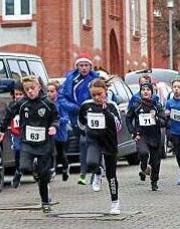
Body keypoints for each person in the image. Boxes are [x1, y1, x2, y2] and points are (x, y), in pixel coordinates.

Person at [0, 75, 59, 213]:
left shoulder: (47, 103)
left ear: (38, 88)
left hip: (44, 143)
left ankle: (45, 202)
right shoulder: (21, 103)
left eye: (32, 88)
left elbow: (56, 117)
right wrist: (2, 130)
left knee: (43, 176)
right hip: (27, 142)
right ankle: (35, 170)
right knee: (24, 165)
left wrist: (54, 126)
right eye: (27, 89)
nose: (30, 91)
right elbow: (9, 114)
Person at [77, 78, 122, 214]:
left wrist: (106, 112)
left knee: (111, 175)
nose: (97, 97)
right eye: (94, 95)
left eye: (99, 94)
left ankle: (115, 202)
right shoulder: (86, 105)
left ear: (106, 91)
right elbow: (80, 121)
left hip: (109, 142)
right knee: (91, 163)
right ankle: (97, 172)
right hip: (94, 140)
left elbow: (118, 126)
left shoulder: (112, 106)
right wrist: (87, 131)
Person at [58, 52, 100, 185]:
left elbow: (105, 95)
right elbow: (62, 97)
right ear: (77, 66)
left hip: (93, 116)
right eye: (81, 65)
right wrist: (75, 107)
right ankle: (85, 173)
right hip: (76, 117)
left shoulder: (95, 79)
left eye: (86, 65)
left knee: (88, 142)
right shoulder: (71, 78)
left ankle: (94, 171)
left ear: (90, 66)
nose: (84, 68)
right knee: (83, 144)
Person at [126, 82, 166, 191]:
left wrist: (156, 118)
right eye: (143, 90)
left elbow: (164, 122)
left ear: (151, 92)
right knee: (143, 153)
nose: (145, 92)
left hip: (155, 136)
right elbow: (128, 119)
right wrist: (133, 132)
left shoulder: (157, 106)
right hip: (141, 135)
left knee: (155, 162)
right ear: (140, 92)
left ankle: (154, 181)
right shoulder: (136, 106)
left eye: (148, 90)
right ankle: (143, 167)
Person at [2, 81, 24, 188]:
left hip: (28, 132)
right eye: (16, 94)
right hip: (16, 133)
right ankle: (18, 171)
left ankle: (36, 170)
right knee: (17, 149)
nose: (18, 97)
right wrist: (2, 130)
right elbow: (6, 118)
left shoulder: (29, 104)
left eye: (21, 94)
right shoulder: (12, 105)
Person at [47, 81, 70, 182]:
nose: (49, 93)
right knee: (51, 152)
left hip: (60, 133)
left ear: (57, 92)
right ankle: (52, 171)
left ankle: (65, 168)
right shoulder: (46, 103)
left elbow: (66, 118)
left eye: (52, 91)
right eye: (47, 91)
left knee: (61, 153)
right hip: (49, 133)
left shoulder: (61, 104)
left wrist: (57, 121)